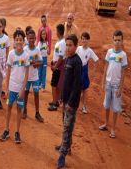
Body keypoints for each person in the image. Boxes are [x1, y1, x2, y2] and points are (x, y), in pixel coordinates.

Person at [56, 34, 82, 169]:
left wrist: (71, 103)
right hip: (65, 100)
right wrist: (61, 97)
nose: (68, 47)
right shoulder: (66, 60)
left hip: (72, 103)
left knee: (67, 127)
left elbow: (77, 85)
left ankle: (62, 155)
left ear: (76, 46)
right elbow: (64, 80)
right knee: (66, 125)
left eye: (70, 45)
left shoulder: (77, 62)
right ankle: (67, 146)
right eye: (66, 45)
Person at [0, 29, 29, 144]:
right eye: (16, 39)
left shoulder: (26, 56)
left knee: (19, 110)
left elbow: (26, 75)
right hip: (11, 88)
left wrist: (23, 89)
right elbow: (8, 72)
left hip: (20, 89)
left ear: (23, 41)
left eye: (20, 40)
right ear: (14, 41)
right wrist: (6, 88)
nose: (18, 42)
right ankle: (6, 130)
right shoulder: (11, 54)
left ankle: (17, 132)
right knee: (9, 107)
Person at [99, 30, 128, 139]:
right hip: (108, 83)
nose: (117, 42)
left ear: (122, 41)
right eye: (115, 40)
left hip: (116, 85)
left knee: (115, 108)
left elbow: (124, 73)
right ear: (113, 40)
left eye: (119, 40)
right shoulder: (109, 52)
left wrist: (121, 88)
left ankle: (113, 128)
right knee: (106, 105)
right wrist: (103, 82)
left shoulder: (123, 55)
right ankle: (106, 123)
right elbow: (106, 67)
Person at [23, 29, 44, 122]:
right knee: (26, 94)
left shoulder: (37, 49)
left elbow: (41, 61)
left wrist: (37, 64)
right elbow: (22, 61)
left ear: (35, 38)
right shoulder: (24, 49)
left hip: (35, 77)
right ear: (27, 38)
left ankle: (37, 113)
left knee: (36, 94)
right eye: (29, 38)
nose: (31, 40)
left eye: (33, 38)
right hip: (26, 76)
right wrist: (31, 62)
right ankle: (24, 110)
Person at [76, 32, 99, 114]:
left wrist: (93, 71)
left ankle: (84, 106)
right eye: (82, 38)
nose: (84, 40)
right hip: (77, 70)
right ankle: (76, 105)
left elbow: (96, 60)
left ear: (88, 40)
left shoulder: (90, 51)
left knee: (84, 89)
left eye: (85, 39)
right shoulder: (78, 48)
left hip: (84, 70)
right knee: (77, 89)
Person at [48, 24, 65, 111]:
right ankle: (56, 101)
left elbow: (61, 57)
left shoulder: (62, 43)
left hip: (58, 66)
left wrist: (55, 66)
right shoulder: (60, 41)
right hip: (57, 65)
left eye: (56, 30)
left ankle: (54, 104)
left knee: (54, 84)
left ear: (58, 31)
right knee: (56, 84)